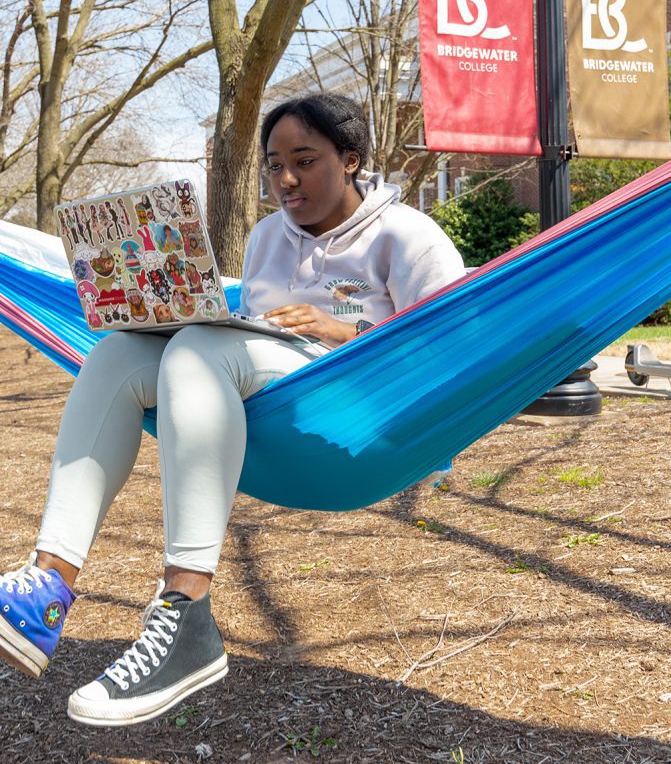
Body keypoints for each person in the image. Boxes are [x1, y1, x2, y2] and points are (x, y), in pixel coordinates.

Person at [0, 93, 465, 726]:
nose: (285, 179)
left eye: (304, 160)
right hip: (262, 409)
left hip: (355, 409)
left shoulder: (409, 237)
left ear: (351, 159)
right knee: (114, 354)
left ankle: (185, 610)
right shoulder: (267, 236)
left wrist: (344, 333)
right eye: (273, 165)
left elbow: (452, 353)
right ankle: (46, 588)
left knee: (196, 348)